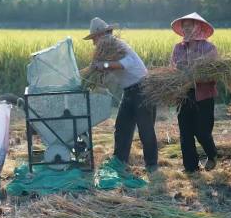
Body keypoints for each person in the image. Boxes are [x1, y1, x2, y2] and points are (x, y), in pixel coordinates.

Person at [85, 17, 159, 173]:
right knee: (122, 127)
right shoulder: (109, 52)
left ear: (102, 35)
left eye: (94, 38)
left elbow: (128, 64)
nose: (93, 43)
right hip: (129, 91)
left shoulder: (118, 45)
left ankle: (152, 165)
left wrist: (103, 65)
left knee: (145, 129)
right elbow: (110, 73)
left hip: (143, 89)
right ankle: (119, 162)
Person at [170, 12, 219, 173]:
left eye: (190, 27)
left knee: (202, 131)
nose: (186, 30)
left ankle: (212, 155)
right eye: (184, 28)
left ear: (198, 27)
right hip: (184, 94)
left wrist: (194, 61)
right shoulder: (178, 48)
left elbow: (211, 70)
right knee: (185, 133)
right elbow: (174, 67)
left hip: (204, 94)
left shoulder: (209, 48)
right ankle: (191, 167)